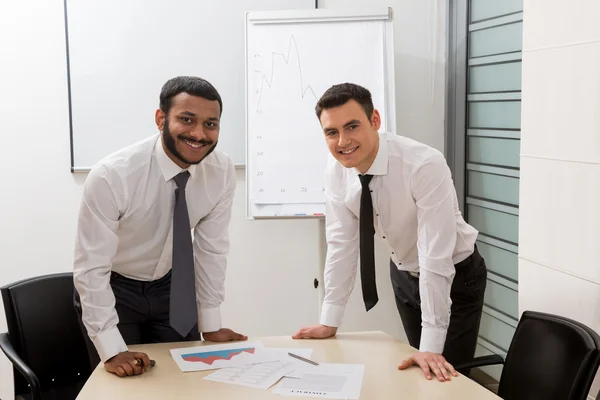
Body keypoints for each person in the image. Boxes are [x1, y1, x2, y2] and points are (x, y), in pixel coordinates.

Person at [292, 83, 487, 382]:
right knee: (418, 371)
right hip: (404, 274)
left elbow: (435, 255)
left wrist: (432, 346)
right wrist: (329, 321)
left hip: (456, 275)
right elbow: (342, 245)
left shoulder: (423, 164)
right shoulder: (336, 172)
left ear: (375, 121)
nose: (342, 141)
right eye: (331, 132)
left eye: (352, 126)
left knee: (446, 376)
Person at [73, 76, 246, 378]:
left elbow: (211, 250)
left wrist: (212, 324)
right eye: (187, 119)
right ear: (160, 119)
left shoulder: (220, 171)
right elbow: (91, 267)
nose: (199, 133)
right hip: (116, 288)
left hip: (173, 286)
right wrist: (112, 348)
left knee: (185, 380)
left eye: (211, 124)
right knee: (127, 384)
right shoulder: (112, 176)